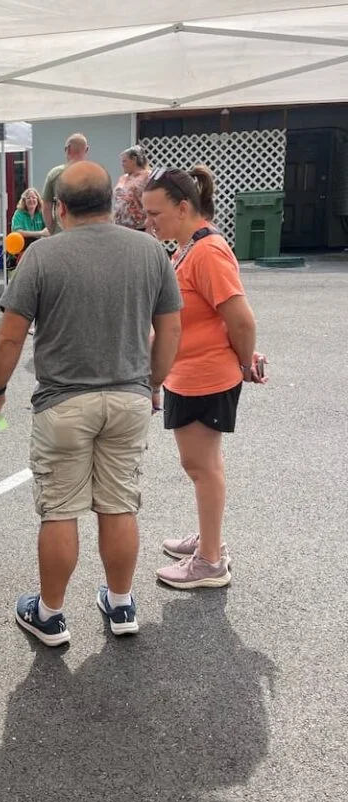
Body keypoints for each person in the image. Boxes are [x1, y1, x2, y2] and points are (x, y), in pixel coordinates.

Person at [0, 161, 182, 645]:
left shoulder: (43, 256)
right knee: (118, 504)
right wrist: (151, 384)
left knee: (60, 510)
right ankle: (121, 604)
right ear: (110, 203)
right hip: (129, 398)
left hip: (63, 403)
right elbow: (171, 327)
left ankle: (49, 615)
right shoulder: (150, 250)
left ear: (58, 207)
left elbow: (10, 337)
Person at [142, 165, 266, 590]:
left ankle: (210, 560)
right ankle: (209, 541)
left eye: (155, 214)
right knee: (204, 464)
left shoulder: (208, 250)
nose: (149, 222)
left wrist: (246, 361)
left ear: (181, 207)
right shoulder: (189, 246)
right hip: (191, 373)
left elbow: (241, 320)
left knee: (200, 466)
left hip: (204, 376)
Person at [40, 133, 89, 235]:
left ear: (68, 149)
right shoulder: (96, 174)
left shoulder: (55, 174)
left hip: (62, 233)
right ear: (87, 149)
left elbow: (46, 207)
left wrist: (52, 230)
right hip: (89, 233)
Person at [113, 145, 153, 233]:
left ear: (134, 160)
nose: (122, 164)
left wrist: (149, 224)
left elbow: (154, 201)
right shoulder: (123, 178)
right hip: (120, 227)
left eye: (124, 161)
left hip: (139, 227)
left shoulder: (147, 176)